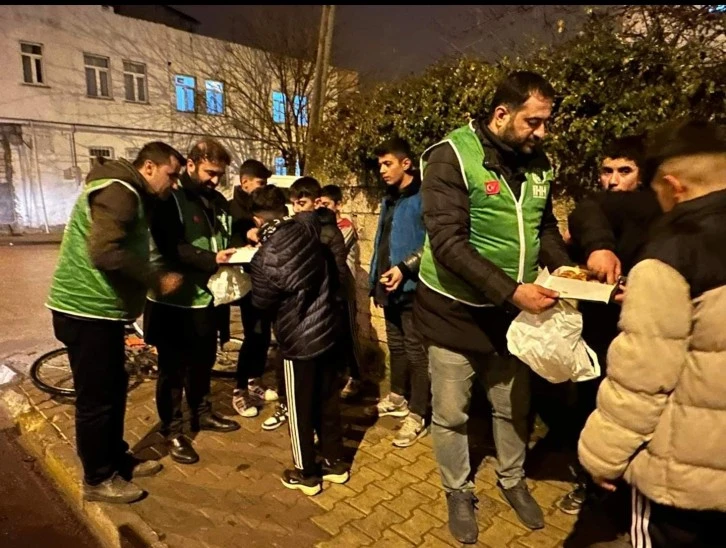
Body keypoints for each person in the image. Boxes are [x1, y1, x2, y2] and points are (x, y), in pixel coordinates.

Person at [414, 71, 572, 542]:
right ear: (501, 114)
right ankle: (458, 490)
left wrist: (566, 273)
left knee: (511, 407)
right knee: (452, 413)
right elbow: (447, 242)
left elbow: (544, 227)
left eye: (546, 123)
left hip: (510, 317)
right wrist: (511, 291)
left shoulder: (539, 162)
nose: (542, 132)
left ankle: (512, 479)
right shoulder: (451, 157)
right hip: (453, 312)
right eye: (534, 122)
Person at [578, 119, 726, 548]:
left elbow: (642, 379)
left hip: (682, 476)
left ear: (672, 186)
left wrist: (601, 457)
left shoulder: (671, 255)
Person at [46, 142, 184, 504]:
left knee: (113, 390)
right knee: (97, 400)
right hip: (86, 311)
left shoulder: (128, 191)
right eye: (172, 175)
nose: (174, 184)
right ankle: (97, 479)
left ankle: (116, 459)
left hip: (101, 312)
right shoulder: (120, 191)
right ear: (150, 167)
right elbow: (104, 251)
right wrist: (156, 278)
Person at [557, 135, 661, 518]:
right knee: (588, 401)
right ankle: (589, 483)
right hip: (597, 327)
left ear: (643, 175)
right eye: (607, 171)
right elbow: (585, 213)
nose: (614, 180)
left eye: (624, 171)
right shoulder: (598, 207)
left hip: (643, 332)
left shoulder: (660, 213)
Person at [144, 138, 240, 466]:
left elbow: (227, 233)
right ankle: (172, 431)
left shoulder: (214, 201)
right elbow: (172, 247)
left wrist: (246, 238)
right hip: (173, 301)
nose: (215, 180)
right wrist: (211, 257)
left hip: (206, 298)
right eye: (210, 172)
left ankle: (202, 413)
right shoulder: (170, 199)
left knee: (203, 361)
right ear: (191, 164)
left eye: (220, 175)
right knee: (172, 371)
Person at [248, 185, 349, 496]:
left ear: (256, 220)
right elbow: (317, 217)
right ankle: (335, 462)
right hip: (327, 330)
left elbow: (262, 303)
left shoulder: (263, 259)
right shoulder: (306, 226)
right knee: (328, 400)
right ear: (285, 207)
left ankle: (306, 473)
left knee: (298, 408)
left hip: (297, 340)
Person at [261, 176, 348, 432]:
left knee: (318, 380)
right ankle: (287, 407)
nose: (299, 209)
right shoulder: (289, 232)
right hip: (292, 314)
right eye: (295, 204)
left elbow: (338, 274)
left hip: (318, 313)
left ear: (317, 202)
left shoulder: (328, 232)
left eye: (304, 203)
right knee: (284, 364)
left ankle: (312, 425)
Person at [369, 137, 429, 449]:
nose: (381, 170)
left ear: (406, 164)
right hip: (387, 287)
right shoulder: (389, 199)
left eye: (387, 163)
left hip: (413, 289)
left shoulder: (423, 197)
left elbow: (433, 244)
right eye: (379, 164)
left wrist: (406, 268)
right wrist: (373, 283)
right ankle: (398, 397)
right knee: (397, 346)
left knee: (417, 353)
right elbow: (382, 241)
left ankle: (418, 414)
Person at [228, 159, 279, 419]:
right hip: (245, 282)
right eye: (260, 183)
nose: (263, 188)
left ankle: (254, 382)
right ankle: (239, 390)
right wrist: (245, 237)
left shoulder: (258, 204)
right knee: (252, 336)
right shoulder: (232, 210)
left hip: (263, 280)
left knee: (262, 335)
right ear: (244, 181)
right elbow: (229, 242)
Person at [320, 184, 364, 399]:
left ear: (338, 205)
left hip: (344, 288)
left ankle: (356, 376)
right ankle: (338, 373)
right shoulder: (322, 227)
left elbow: (327, 248)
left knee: (349, 334)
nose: (322, 208)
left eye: (326, 204)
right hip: (328, 290)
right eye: (319, 203)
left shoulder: (345, 227)